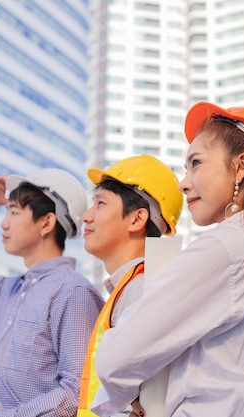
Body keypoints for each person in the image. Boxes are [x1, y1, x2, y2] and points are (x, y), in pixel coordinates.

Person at [92, 103, 244, 417]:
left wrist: (128, 396)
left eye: (195, 163)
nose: (184, 182)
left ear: (240, 166)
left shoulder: (226, 247)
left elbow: (115, 359)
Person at [0, 168, 105, 417]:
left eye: (13, 212)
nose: (4, 223)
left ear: (46, 222)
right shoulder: (7, 292)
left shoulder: (73, 292)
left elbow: (77, 393)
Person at [77, 154, 183, 417]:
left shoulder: (142, 290)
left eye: (100, 203)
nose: (87, 216)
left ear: (137, 219)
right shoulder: (132, 288)